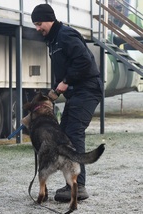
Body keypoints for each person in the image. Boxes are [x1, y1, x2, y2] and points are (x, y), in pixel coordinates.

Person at [31, 4, 103, 202]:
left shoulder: (65, 36)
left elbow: (84, 62)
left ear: (49, 19)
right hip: (76, 92)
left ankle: (79, 186)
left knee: (73, 132)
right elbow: (65, 70)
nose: (37, 28)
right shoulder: (53, 41)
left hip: (88, 89)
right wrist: (54, 91)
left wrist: (65, 82)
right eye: (35, 25)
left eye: (39, 24)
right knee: (63, 135)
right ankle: (71, 183)